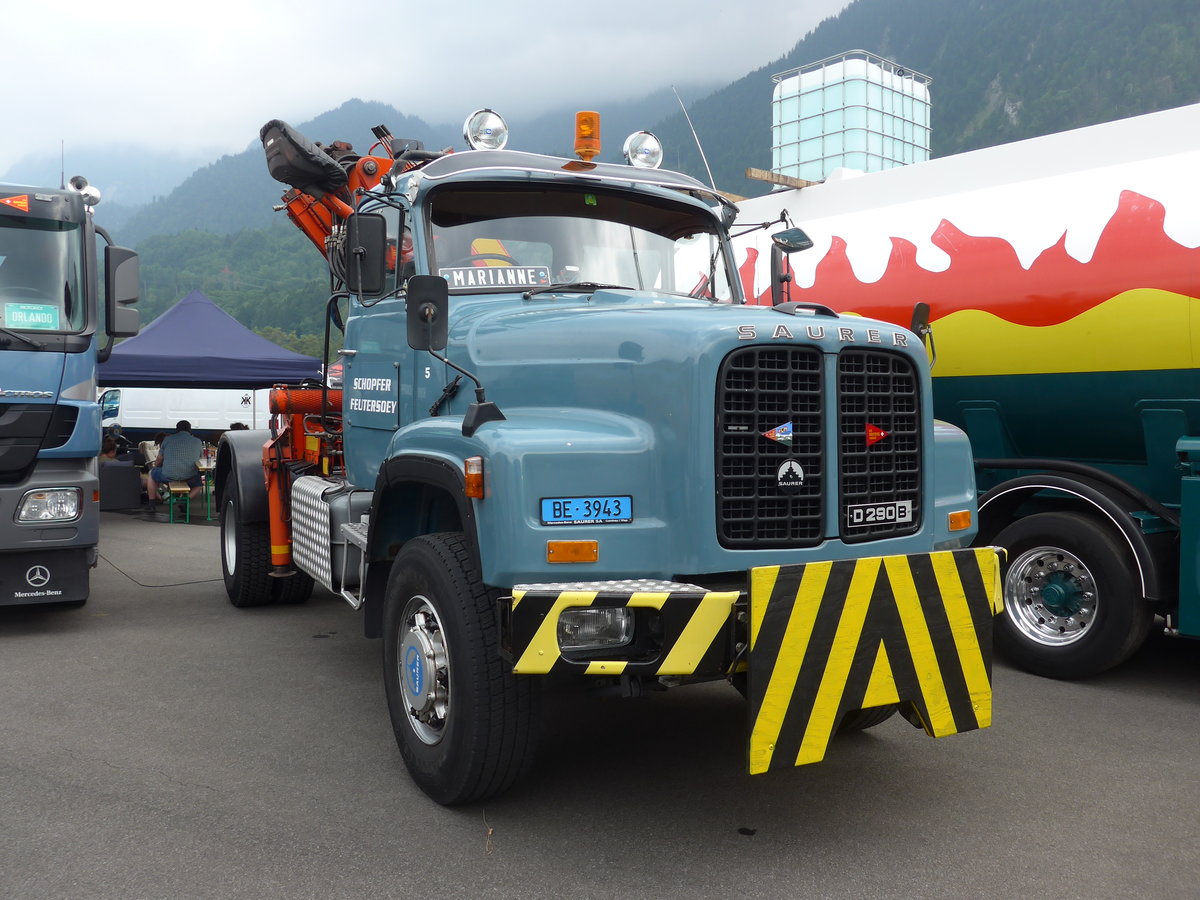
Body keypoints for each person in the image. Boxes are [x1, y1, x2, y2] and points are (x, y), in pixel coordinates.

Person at [147, 420, 204, 501]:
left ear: (177, 429)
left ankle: (152, 503)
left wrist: (157, 467)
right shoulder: (197, 441)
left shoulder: (167, 440)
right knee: (199, 484)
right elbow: (201, 459)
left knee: (152, 474)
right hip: (189, 477)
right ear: (190, 429)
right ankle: (185, 500)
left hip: (168, 476)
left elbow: (159, 460)